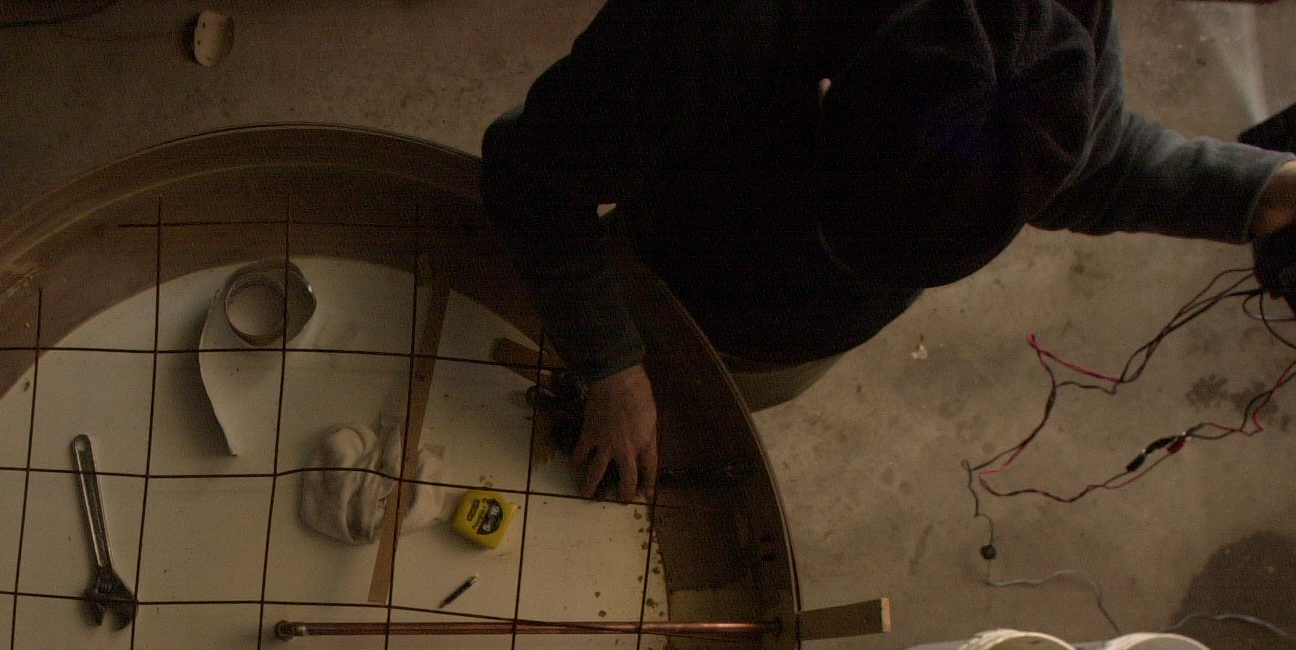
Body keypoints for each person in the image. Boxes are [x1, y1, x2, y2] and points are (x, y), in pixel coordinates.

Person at [481, 0, 1296, 501]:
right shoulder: (706, 28)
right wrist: (613, 365)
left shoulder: (1055, 32)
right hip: (669, 264)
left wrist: (1254, 190)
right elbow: (530, 174)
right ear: (830, 91)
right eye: (848, 240)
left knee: (697, 417)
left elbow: (1098, 165)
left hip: (772, 344)